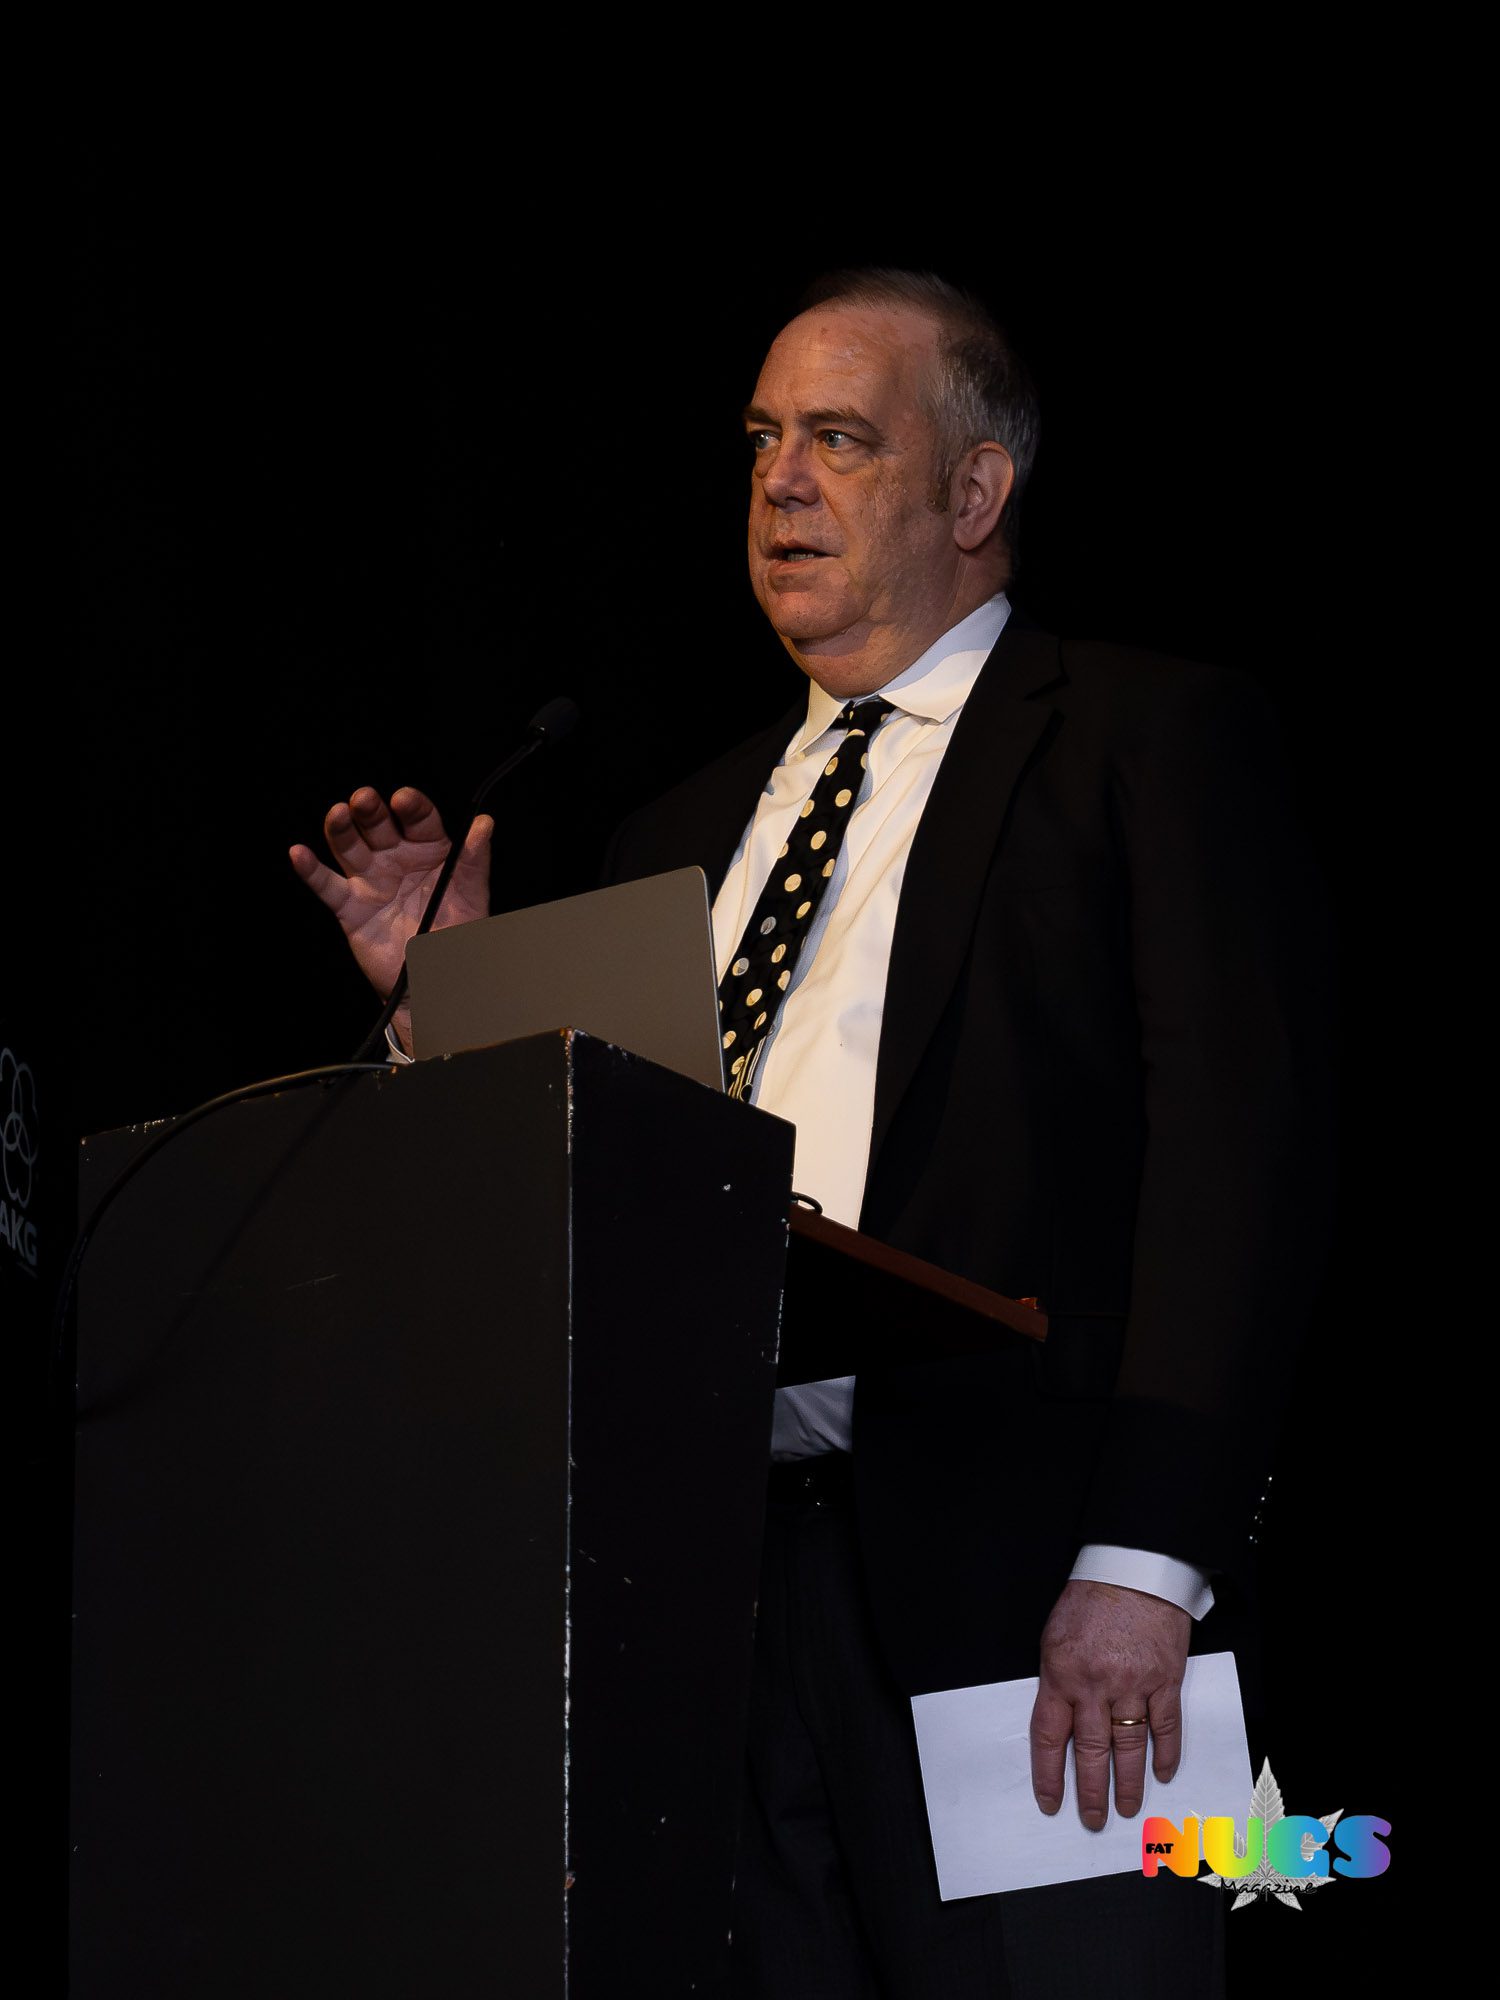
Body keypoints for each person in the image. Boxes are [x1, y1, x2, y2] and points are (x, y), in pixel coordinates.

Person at [291, 269, 1334, 1996]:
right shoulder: (670, 834)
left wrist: (1148, 1564)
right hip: (719, 1601)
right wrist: (451, 1008)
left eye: (841, 439)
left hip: (1041, 1605)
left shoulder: (1144, 738)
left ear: (976, 491)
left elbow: (1245, 1165)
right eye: (765, 438)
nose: (780, 480)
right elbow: (599, 1206)